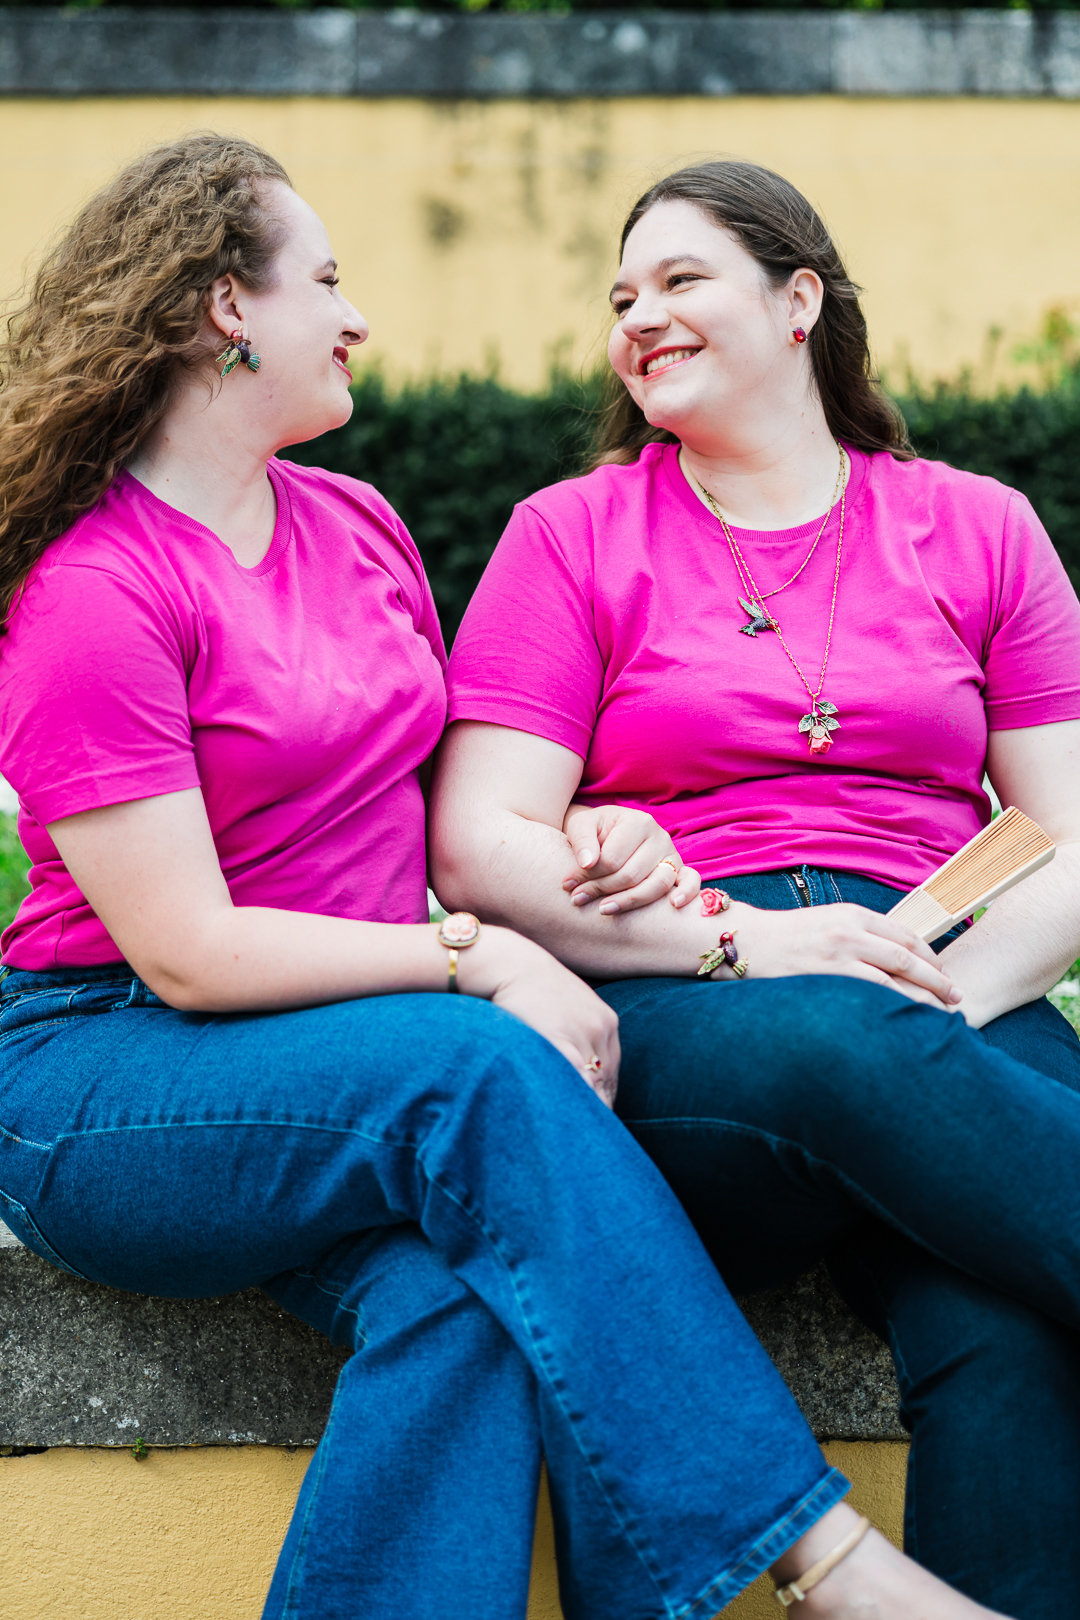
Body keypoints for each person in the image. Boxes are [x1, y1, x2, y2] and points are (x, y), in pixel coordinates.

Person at [0, 134, 1003, 1620]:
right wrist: (474, 956)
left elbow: (418, 817)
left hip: (329, 1055)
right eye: (325, 280)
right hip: (115, 1069)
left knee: (465, 1305)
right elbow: (191, 954)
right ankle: (831, 1568)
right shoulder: (94, 590)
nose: (353, 317)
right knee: (477, 1075)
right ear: (226, 307)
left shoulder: (356, 527)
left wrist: (599, 843)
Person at [431, 160, 1080, 1620]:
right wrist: (756, 944)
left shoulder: (978, 528)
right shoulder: (571, 534)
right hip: (687, 991)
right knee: (838, 1040)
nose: (638, 316)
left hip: (943, 968)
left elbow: (1071, 831)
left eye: (678, 280)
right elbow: (480, 842)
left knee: (1007, 1322)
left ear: (799, 302)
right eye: (620, 297)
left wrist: (939, 995)